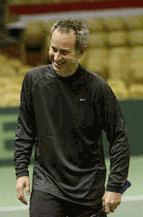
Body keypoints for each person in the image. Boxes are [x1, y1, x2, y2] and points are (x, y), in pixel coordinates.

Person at [14, 18, 130, 217]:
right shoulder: (34, 81)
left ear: (81, 52)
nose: (56, 57)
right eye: (53, 49)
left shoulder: (98, 88)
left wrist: (114, 185)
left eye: (64, 52)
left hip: (88, 188)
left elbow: (119, 137)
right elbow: (25, 129)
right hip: (47, 185)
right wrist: (22, 171)